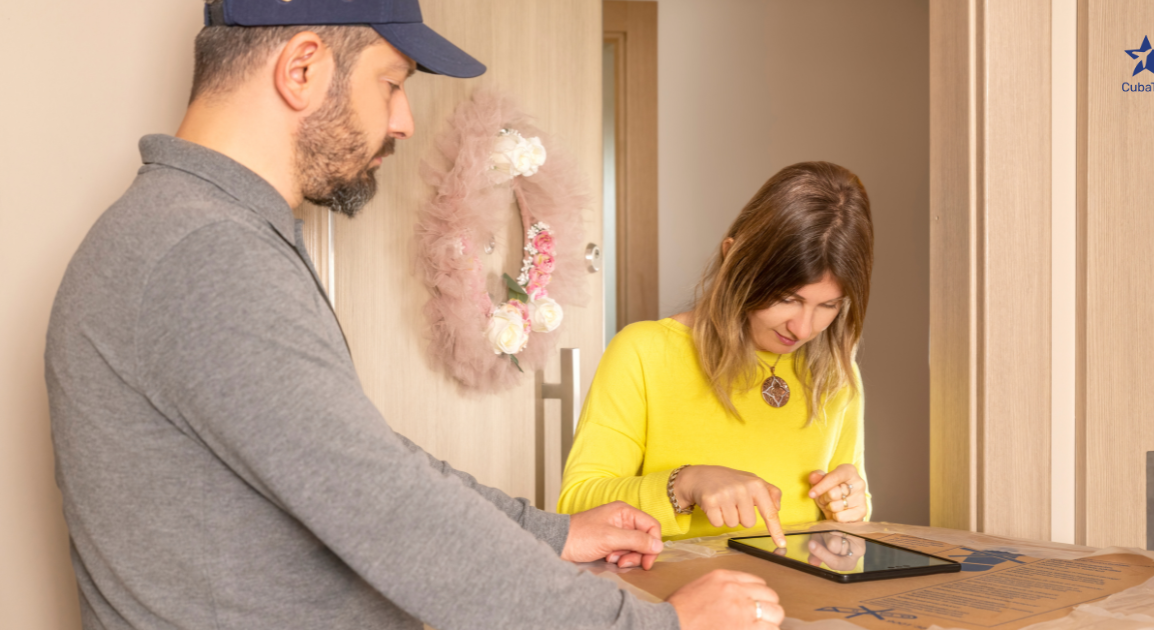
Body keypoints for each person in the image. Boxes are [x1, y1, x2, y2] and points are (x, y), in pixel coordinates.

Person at [44, 1, 784, 628]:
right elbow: (392, 514)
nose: (402, 121)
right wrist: (660, 624)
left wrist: (550, 533)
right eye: (391, 83)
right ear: (301, 70)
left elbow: (366, 461)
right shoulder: (205, 253)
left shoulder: (201, 231)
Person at [559, 162, 874, 553]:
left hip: (799, 605)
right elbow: (576, 507)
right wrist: (684, 484)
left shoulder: (838, 375)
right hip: (674, 603)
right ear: (733, 258)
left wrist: (851, 507)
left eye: (828, 305)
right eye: (787, 298)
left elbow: (848, 518)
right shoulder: (644, 352)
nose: (804, 329)